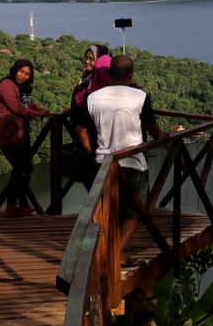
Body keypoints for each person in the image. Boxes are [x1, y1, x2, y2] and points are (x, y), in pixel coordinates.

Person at [76, 55, 167, 218]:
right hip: (134, 165)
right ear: (131, 76)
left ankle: (112, 243)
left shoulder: (92, 98)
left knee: (108, 212)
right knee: (135, 213)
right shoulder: (140, 96)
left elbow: (80, 130)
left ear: (110, 74)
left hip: (103, 164)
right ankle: (126, 241)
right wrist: (163, 136)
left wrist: (92, 152)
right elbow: (153, 130)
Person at [0, 59, 51, 215]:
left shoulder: (22, 89)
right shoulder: (7, 84)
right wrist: (38, 114)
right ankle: (12, 205)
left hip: (21, 133)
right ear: (15, 69)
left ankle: (19, 204)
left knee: (24, 168)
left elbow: (25, 105)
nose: (23, 76)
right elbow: (16, 107)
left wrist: (37, 108)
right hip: (10, 133)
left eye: (27, 74)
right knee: (21, 168)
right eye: (21, 71)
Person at [67, 45, 110, 190]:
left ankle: (101, 211)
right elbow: (78, 104)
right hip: (83, 138)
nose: (87, 61)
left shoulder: (100, 81)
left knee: (94, 180)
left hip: (92, 138)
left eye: (92, 59)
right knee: (90, 177)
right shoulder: (87, 79)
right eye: (86, 58)